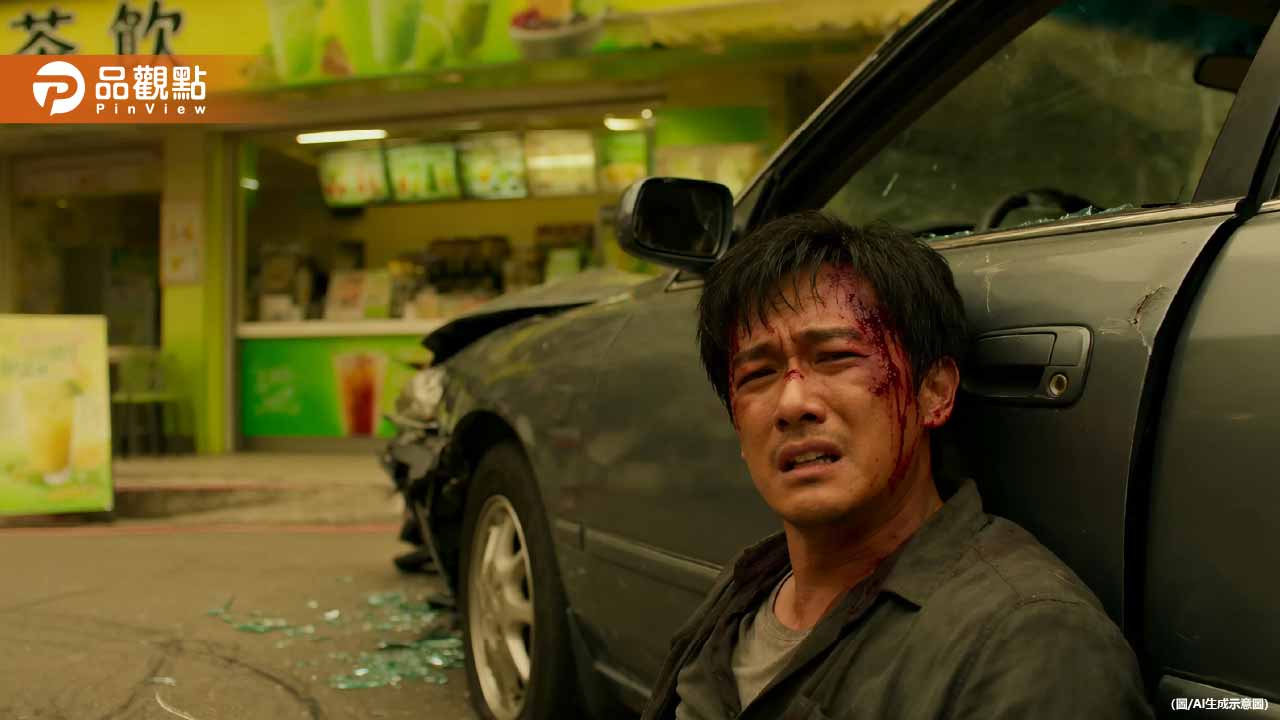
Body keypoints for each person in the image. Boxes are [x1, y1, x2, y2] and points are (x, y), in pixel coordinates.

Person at [641, 212, 1152, 719]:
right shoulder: (747, 587)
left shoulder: (1031, 646)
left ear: (934, 391)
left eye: (836, 357)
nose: (792, 403)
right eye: (758, 374)